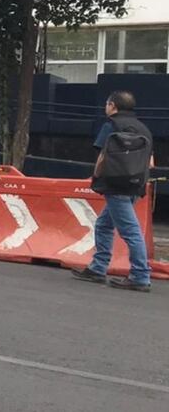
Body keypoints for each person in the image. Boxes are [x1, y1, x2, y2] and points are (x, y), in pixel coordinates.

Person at [72, 90, 153, 292]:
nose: (105, 107)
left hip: (115, 185)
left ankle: (140, 276)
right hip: (136, 185)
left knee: (131, 232)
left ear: (113, 106)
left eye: (107, 104)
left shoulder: (111, 125)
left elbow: (102, 157)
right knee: (104, 224)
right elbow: (150, 162)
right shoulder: (144, 128)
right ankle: (97, 268)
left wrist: (97, 176)